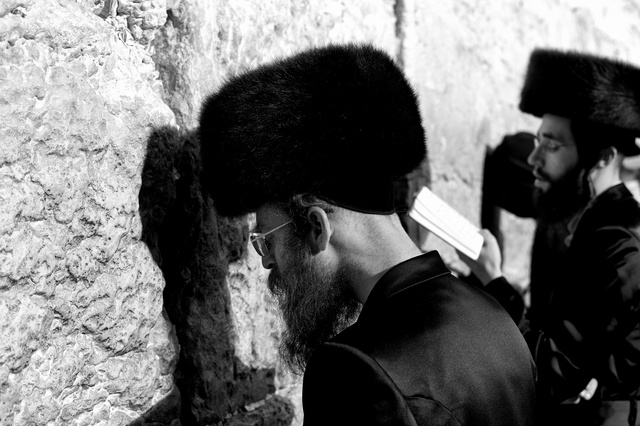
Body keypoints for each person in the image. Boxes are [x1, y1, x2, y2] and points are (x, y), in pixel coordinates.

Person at [198, 43, 537, 425]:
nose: (267, 262)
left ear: (315, 227)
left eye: (266, 240)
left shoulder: (355, 369)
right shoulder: (494, 315)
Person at [460, 48, 640, 426]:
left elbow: (552, 374)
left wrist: (494, 281)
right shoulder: (585, 222)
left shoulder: (621, 246)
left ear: (604, 158)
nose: (534, 158)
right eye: (538, 140)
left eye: (553, 146)